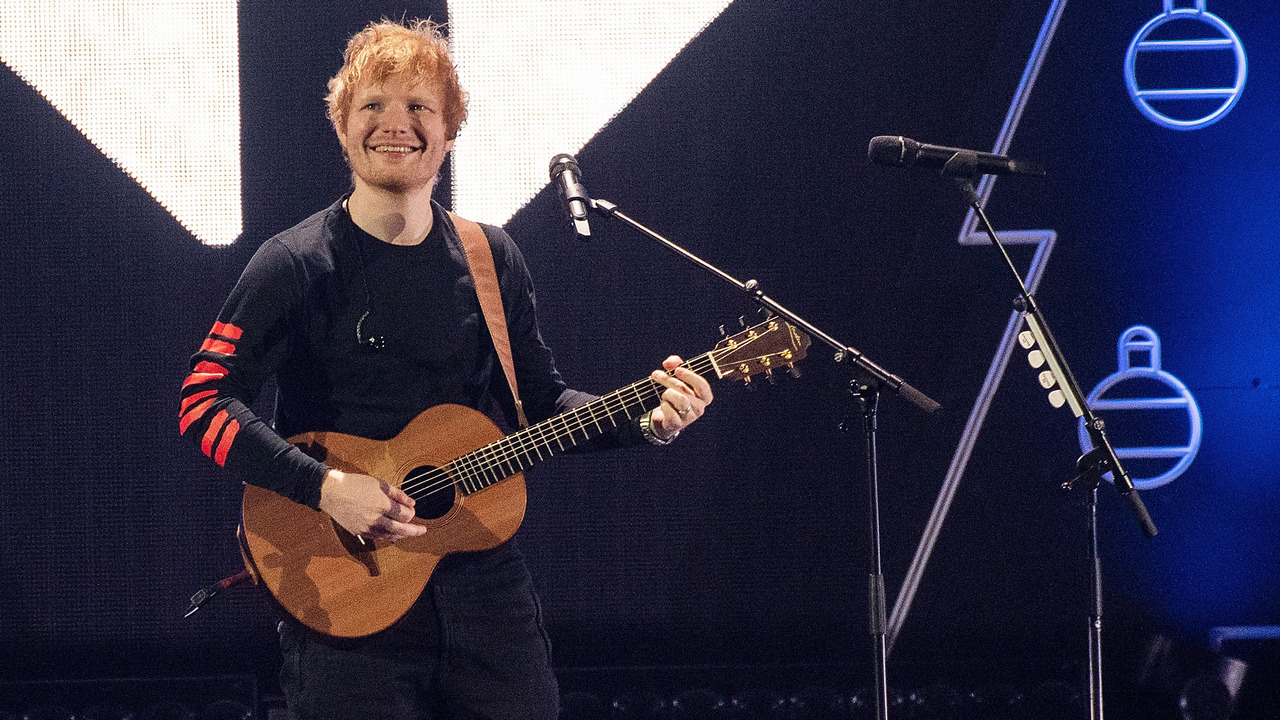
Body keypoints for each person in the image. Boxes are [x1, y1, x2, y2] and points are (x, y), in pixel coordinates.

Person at [178, 18, 712, 720]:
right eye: (372, 105)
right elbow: (203, 402)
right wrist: (327, 488)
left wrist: (646, 418)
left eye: (418, 107)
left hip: (485, 592)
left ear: (450, 130)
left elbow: (542, 403)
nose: (394, 124)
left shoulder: (491, 258)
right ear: (342, 126)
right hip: (347, 595)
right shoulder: (295, 263)